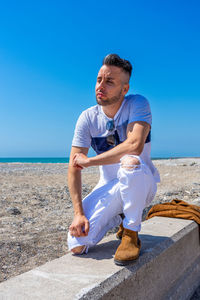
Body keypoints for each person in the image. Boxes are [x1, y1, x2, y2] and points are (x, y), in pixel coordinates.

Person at [67, 54, 160, 265]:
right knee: (77, 243)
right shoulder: (88, 118)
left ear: (124, 89)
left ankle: (131, 233)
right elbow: (73, 166)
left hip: (142, 183)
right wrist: (78, 213)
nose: (101, 86)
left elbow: (134, 146)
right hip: (111, 186)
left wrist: (90, 161)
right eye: (99, 79)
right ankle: (119, 215)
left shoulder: (138, 104)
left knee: (130, 162)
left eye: (110, 82)